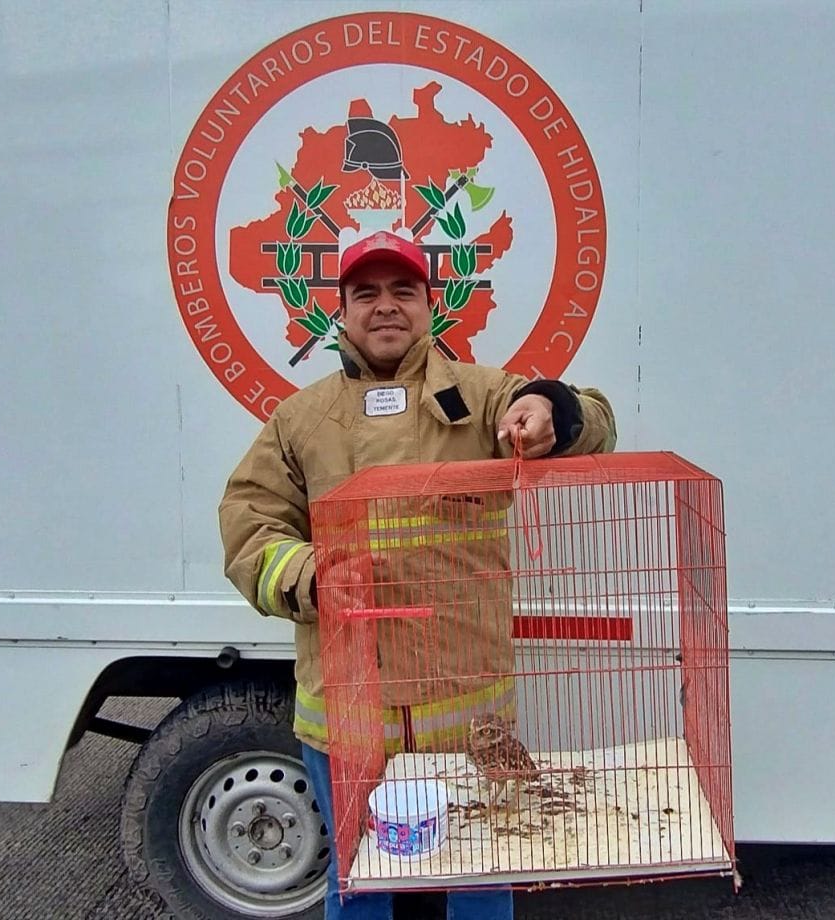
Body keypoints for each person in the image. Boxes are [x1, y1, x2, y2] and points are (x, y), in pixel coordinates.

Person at [219, 230, 616, 920]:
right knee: (358, 885)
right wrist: (308, 575)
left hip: (470, 722)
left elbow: (596, 423)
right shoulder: (299, 420)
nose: (385, 306)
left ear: (430, 307)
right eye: (365, 293)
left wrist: (553, 410)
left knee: (483, 877)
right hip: (347, 715)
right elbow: (249, 523)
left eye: (403, 290)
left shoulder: (486, 397)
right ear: (341, 312)